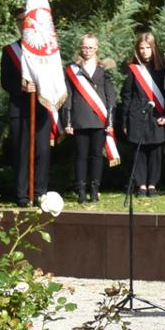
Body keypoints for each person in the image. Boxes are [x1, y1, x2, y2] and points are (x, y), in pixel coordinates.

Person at [1, 13, 54, 207]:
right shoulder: (10, 51)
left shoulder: (45, 51)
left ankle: (40, 193)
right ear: (17, 25)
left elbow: (54, 76)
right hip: (20, 109)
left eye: (28, 22)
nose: (24, 25)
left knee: (42, 151)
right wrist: (21, 86)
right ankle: (22, 195)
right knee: (22, 153)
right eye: (21, 22)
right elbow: (5, 81)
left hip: (42, 107)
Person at [59, 33, 115, 203]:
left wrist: (110, 121)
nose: (87, 50)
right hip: (80, 119)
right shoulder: (72, 70)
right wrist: (68, 121)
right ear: (80, 48)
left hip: (99, 120)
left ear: (96, 48)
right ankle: (81, 191)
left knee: (97, 156)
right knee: (80, 156)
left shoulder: (103, 70)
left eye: (90, 47)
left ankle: (95, 190)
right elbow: (68, 97)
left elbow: (110, 97)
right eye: (84, 47)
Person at [117, 31, 165, 198]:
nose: (145, 51)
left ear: (154, 48)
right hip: (136, 115)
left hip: (156, 115)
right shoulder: (133, 69)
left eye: (148, 47)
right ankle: (141, 185)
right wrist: (124, 120)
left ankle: (152, 184)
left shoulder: (162, 70)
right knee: (139, 151)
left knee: (155, 150)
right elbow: (127, 96)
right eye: (142, 48)